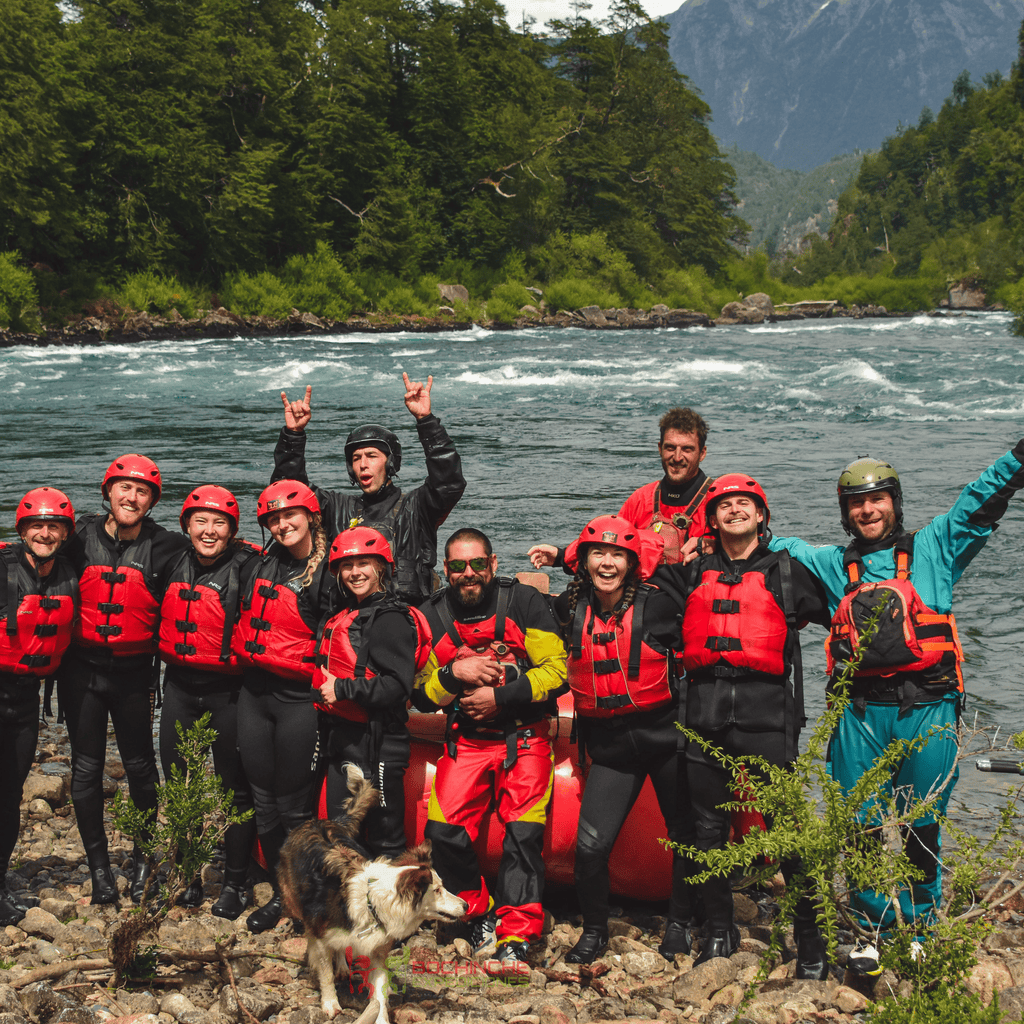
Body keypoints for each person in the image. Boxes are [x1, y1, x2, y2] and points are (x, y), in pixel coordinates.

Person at [769, 447, 1024, 974]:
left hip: (928, 708)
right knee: (858, 824)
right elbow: (762, 539)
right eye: (857, 503)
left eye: (877, 500)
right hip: (859, 715)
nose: (867, 511)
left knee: (920, 825)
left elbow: (983, 500)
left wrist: (1018, 456)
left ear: (895, 503)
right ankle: (871, 930)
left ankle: (921, 926)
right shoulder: (832, 563)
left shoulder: (936, 546)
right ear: (845, 512)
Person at [653, 474, 831, 975]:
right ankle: (718, 929)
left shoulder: (788, 573)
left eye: (744, 504)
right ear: (712, 520)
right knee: (708, 832)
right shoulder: (692, 572)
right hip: (703, 714)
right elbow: (649, 606)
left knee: (787, 832)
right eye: (725, 505)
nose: (734, 510)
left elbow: (841, 614)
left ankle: (812, 940)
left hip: (766, 716)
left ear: (761, 516)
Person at [414, 528, 567, 965]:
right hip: (467, 743)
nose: (469, 574)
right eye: (458, 566)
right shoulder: (431, 615)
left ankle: (518, 934)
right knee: (442, 831)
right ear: (446, 570)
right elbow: (421, 695)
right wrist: (454, 674)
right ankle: (479, 912)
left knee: (523, 836)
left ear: (493, 564)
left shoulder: (524, 602)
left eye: (477, 564)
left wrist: (500, 693)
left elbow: (557, 672)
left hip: (525, 738)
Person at [551, 514, 698, 965]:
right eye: (599, 553)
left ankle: (680, 924)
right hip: (612, 746)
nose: (608, 563)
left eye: (618, 555)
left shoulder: (658, 605)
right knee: (591, 848)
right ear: (584, 560)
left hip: (666, 737)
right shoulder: (567, 608)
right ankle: (594, 931)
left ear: (633, 562)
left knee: (684, 836)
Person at [59, 455, 189, 905]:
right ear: (107, 493)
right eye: (124, 489)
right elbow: (29, 551)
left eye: (142, 492)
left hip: (134, 675)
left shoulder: (168, 545)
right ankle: (99, 871)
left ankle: (141, 863)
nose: (131, 497)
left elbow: (220, 554)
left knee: (139, 767)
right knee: (86, 768)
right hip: (81, 672)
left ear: (152, 501)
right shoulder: (75, 538)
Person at [233, 479, 336, 933]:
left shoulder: (331, 573)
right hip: (255, 695)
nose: (281, 524)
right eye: (273, 519)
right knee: (263, 801)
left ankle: (309, 896)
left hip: (298, 700)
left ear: (311, 517)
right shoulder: (262, 564)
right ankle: (281, 893)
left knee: (296, 808)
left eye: (289, 516)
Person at [274, 374, 466, 605]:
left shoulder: (417, 507)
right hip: (350, 618)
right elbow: (290, 491)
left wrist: (425, 420)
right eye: (356, 458)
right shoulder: (337, 508)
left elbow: (448, 481)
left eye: (372, 456)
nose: (363, 464)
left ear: (391, 463)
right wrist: (293, 435)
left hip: (406, 617)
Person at [157, 486, 259, 919]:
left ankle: (235, 883)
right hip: (179, 686)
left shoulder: (249, 567)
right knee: (179, 785)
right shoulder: (171, 561)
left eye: (220, 523)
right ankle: (187, 875)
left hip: (229, 692)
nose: (209, 530)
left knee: (234, 792)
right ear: (186, 526)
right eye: (201, 521)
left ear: (233, 531)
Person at [313, 526, 430, 857]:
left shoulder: (390, 618)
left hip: (380, 744)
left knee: (385, 837)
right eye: (347, 567)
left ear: (381, 567)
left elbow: (397, 686)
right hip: (346, 738)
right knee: (341, 835)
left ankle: (392, 907)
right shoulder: (349, 612)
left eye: (364, 564)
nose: (354, 573)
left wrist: (343, 688)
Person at [0, 489, 79, 926]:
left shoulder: (69, 574)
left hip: (26, 702)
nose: (45, 533)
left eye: (54, 527)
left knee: (10, 797)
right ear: (22, 530)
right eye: (37, 526)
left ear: (66, 533)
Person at [528, 407, 713, 570]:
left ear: (702, 453)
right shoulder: (641, 499)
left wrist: (715, 545)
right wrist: (561, 557)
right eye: (670, 448)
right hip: (645, 597)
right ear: (659, 448)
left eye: (687, 449)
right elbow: (608, 540)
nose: (677, 457)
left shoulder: (720, 499)